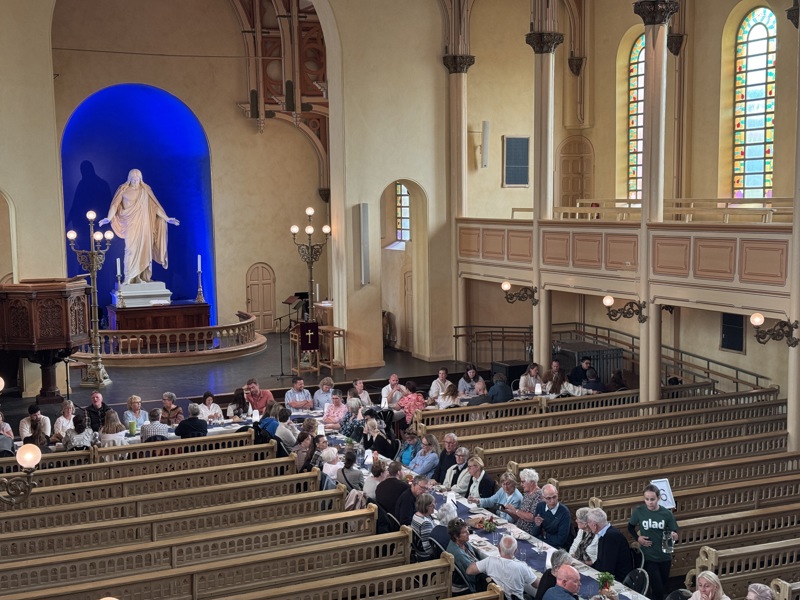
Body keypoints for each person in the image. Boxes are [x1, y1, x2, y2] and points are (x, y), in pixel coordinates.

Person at [99, 168, 179, 284]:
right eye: (133, 179)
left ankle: (142, 277)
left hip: (144, 226)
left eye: (137, 179)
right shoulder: (123, 190)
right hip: (130, 224)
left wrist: (167, 218)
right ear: (129, 179)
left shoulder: (145, 191)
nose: (135, 181)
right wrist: (108, 218)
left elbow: (155, 208)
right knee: (130, 250)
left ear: (141, 179)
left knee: (145, 250)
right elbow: (114, 205)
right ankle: (128, 277)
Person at [628, 484, 679, 600]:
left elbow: (674, 532)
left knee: (663, 587)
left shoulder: (667, 514)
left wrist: (674, 536)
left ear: (658, 498)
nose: (650, 502)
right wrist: (638, 538)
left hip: (664, 555)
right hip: (649, 555)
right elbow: (630, 527)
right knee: (657, 588)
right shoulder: (639, 511)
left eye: (652, 499)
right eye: (647, 499)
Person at [466, 534, 537, 600]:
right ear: (516, 551)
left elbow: (469, 571)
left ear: (499, 548)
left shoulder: (490, 561)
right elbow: (537, 585)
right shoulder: (522, 567)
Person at [587, 507, 633, 581]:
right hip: (609, 574)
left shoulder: (611, 537)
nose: (588, 525)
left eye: (588, 522)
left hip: (617, 579)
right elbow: (601, 561)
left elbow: (607, 567)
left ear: (595, 525)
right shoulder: (605, 533)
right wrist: (589, 569)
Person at [531, 483, 572, 549]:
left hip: (559, 548)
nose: (552, 501)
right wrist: (537, 525)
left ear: (557, 495)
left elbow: (560, 540)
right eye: (548, 498)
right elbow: (535, 533)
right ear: (543, 498)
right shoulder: (540, 506)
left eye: (554, 497)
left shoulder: (564, 512)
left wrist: (545, 536)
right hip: (543, 543)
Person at [507, 468, 545, 536]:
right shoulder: (527, 494)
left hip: (528, 532)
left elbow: (532, 517)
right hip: (519, 529)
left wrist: (515, 511)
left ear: (531, 482)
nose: (521, 484)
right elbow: (520, 516)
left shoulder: (539, 495)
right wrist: (509, 511)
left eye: (523, 482)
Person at [446, 518, 481, 593]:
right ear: (456, 536)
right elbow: (472, 577)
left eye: (467, 530)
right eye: (464, 532)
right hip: (466, 587)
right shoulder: (459, 554)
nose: (468, 533)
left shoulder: (463, 543)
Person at [411, 492, 436, 560]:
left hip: (418, 547)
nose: (434, 507)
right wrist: (436, 554)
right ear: (424, 506)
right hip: (425, 554)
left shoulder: (416, 515)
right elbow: (427, 547)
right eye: (431, 505)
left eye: (434, 504)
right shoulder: (425, 523)